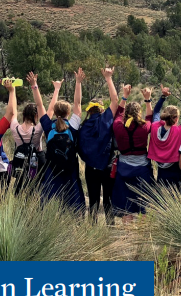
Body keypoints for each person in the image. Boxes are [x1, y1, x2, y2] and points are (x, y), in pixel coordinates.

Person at [28, 72, 85, 212]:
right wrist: (78, 82)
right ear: (68, 112)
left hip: (52, 168)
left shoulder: (48, 126)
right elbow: (77, 103)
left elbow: (39, 104)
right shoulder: (73, 125)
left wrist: (34, 85)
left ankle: (52, 220)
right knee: (73, 198)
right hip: (70, 167)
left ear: (54, 111)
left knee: (51, 197)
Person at [76, 67, 119, 222]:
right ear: (101, 109)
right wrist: (108, 78)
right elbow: (115, 101)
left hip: (90, 168)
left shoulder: (83, 126)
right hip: (107, 166)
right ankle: (111, 226)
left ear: (89, 110)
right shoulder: (106, 120)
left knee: (93, 200)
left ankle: (93, 231)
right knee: (108, 199)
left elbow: (79, 147)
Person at [112, 84, 154, 222]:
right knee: (144, 202)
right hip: (143, 169)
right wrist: (147, 100)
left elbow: (118, 113)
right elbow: (149, 117)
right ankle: (142, 235)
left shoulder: (118, 126)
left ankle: (128, 237)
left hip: (123, 168)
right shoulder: (144, 126)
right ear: (138, 113)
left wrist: (124, 96)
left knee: (126, 204)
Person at [148, 77, 181, 186]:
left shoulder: (155, 127)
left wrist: (163, 97)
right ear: (176, 119)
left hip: (161, 171)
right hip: (176, 172)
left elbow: (156, 111)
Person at [7, 76, 47, 193]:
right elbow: (41, 107)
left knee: (19, 189)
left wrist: (12, 90)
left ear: (23, 114)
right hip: (37, 163)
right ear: (36, 116)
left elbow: (12, 111)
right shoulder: (38, 129)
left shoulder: (15, 127)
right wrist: (34, 86)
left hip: (20, 164)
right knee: (37, 189)